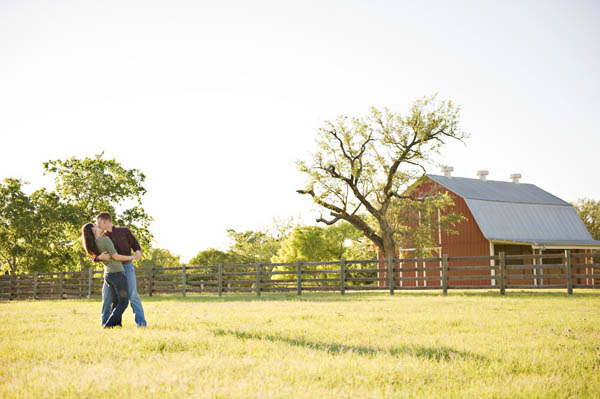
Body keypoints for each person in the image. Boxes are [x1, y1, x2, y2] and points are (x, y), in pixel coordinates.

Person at [94, 212, 147, 327]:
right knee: (107, 297)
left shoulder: (124, 231)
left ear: (106, 222)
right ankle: (106, 323)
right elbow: (93, 254)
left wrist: (138, 251)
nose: (97, 226)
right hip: (112, 270)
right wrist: (98, 258)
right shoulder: (102, 238)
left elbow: (135, 244)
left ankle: (141, 323)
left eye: (99, 223)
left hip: (127, 267)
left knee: (132, 295)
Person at [81, 222, 131, 328]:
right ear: (93, 230)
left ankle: (117, 325)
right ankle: (108, 325)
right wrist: (132, 257)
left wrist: (98, 258)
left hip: (109, 275)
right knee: (124, 302)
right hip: (117, 274)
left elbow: (94, 258)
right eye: (95, 225)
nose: (98, 226)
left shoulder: (91, 245)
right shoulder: (104, 240)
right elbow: (116, 257)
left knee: (116, 301)